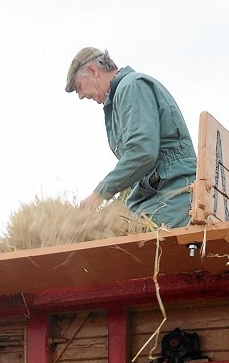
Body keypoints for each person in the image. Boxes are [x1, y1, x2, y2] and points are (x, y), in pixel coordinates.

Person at [65, 47, 197, 229]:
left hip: (173, 192)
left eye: (79, 87)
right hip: (155, 193)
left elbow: (142, 152)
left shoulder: (131, 87)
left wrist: (99, 194)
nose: (81, 96)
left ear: (93, 71)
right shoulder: (120, 97)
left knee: (122, 245)